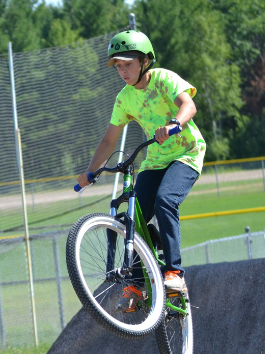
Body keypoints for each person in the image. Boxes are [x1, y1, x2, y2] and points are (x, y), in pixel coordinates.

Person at [77, 30, 206, 313]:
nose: (123, 71)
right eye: (118, 66)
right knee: (131, 219)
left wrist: (174, 124)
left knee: (165, 200)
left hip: (186, 154)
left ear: (145, 61)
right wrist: (90, 172)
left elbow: (189, 105)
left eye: (128, 64)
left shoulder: (163, 79)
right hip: (155, 160)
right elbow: (109, 140)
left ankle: (174, 273)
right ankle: (136, 284)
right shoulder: (124, 98)